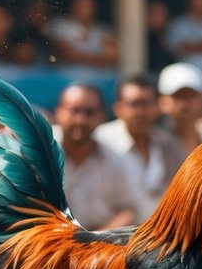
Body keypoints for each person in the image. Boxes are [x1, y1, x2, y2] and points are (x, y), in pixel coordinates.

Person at [54, 83, 149, 229]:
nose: (81, 120)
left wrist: (95, 241)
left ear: (102, 116)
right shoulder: (38, 149)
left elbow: (129, 210)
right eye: (75, 111)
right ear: (58, 111)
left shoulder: (115, 159)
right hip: (46, 242)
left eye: (89, 112)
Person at [98, 74, 187, 202]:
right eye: (134, 104)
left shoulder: (168, 143)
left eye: (146, 104)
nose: (140, 112)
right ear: (118, 108)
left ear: (157, 107)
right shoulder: (100, 141)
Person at [156, 63, 202, 155]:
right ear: (163, 102)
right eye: (179, 96)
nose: (186, 102)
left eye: (192, 95)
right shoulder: (155, 141)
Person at [46, 0, 116, 67]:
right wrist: (99, 58)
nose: (84, 10)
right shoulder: (61, 27)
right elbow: (70, 55)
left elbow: (111, 57)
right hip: (68, 76)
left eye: (88, 6)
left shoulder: (102, 30)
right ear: (72, 7)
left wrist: (82, 56)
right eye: (80, 6)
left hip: (99, 76)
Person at [145, 0, 175, 73]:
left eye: (160, 14)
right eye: (153, 13)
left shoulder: (173, 36)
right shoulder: (141, 40)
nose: (157, 17)